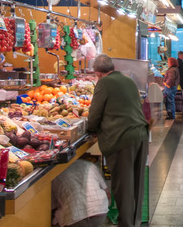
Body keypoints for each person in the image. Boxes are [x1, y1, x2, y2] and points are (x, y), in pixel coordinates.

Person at [87, 54, 148, 227]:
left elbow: (94, 114)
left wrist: (91, 129)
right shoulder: (128, 80)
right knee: (136, 183)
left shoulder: (104, 83)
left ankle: (126, 224)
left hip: (122, 138)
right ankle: (134, 221)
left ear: (98, 73)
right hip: (140, 134)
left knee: (123, 186)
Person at [51, 156, 109, 227]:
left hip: (75, 219)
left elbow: (52, 207)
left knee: (54, 221)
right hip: (100, 212)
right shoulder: (89, 165)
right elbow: (107, 193)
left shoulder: (54, 175)